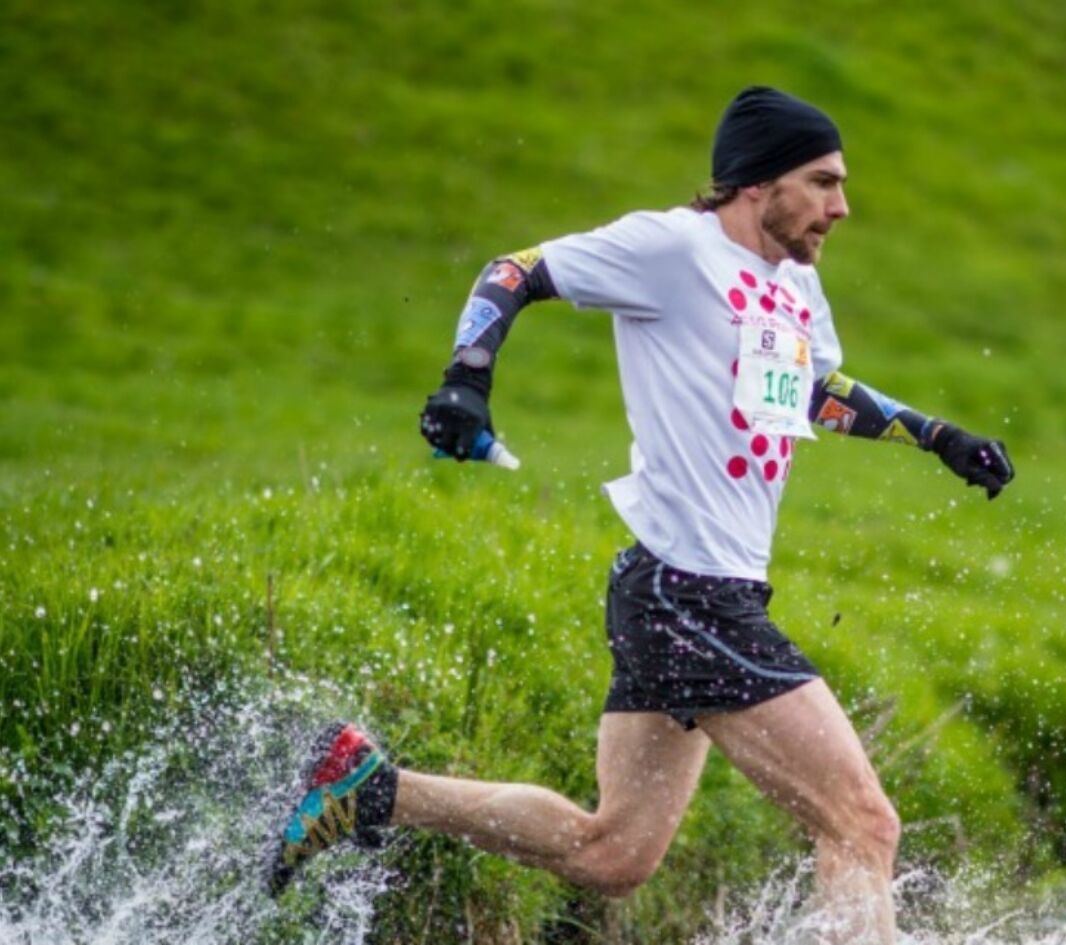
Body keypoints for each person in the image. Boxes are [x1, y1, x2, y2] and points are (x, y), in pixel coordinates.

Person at [266, 85, 1014, 942]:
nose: (841, 207)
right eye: (823, 181)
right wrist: (466, 378)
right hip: (688, 591)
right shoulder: (671, 248)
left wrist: (936, 435)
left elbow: (810, 389)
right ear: (756, 182)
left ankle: (370, 790)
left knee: (613, 853)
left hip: (687, 591)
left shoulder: (797, 285)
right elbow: (514, 271)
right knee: (864, 823)